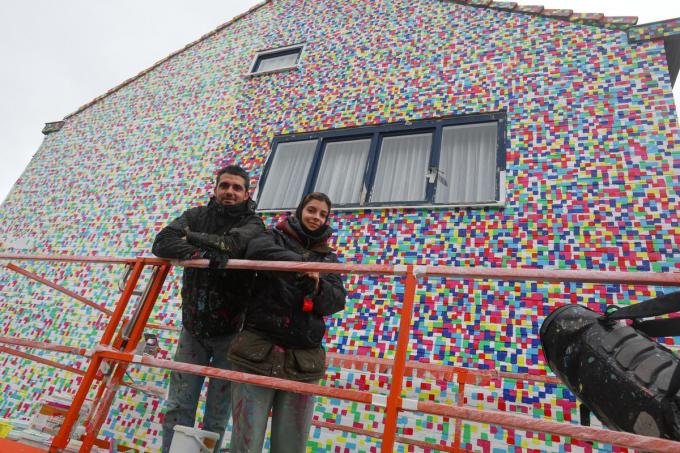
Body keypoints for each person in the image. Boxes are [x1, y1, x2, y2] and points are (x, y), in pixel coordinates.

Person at [152, 165, 264, 453]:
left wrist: (190, 237)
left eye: (237, 187)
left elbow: (232, 244)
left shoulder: (254, 223)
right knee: (178, 405)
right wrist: (202, 253)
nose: (229, 191)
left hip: (231, 333)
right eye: (224, 185)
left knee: (217, 412)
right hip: (193, 328)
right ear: (215, 189)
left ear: (247, 193)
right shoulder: (196, 215)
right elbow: (162, 242)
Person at [228, 192, 346, 453]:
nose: (316, 217)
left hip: (303, 363)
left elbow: (337, 301)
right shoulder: (273, 237)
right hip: (257, 354)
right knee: (246, 442)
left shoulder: (328, 258)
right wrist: (302, 265)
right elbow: (255, 249)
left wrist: (316, 286)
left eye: (322, 214)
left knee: (291, 446)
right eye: (311, 210)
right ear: (300, 210)